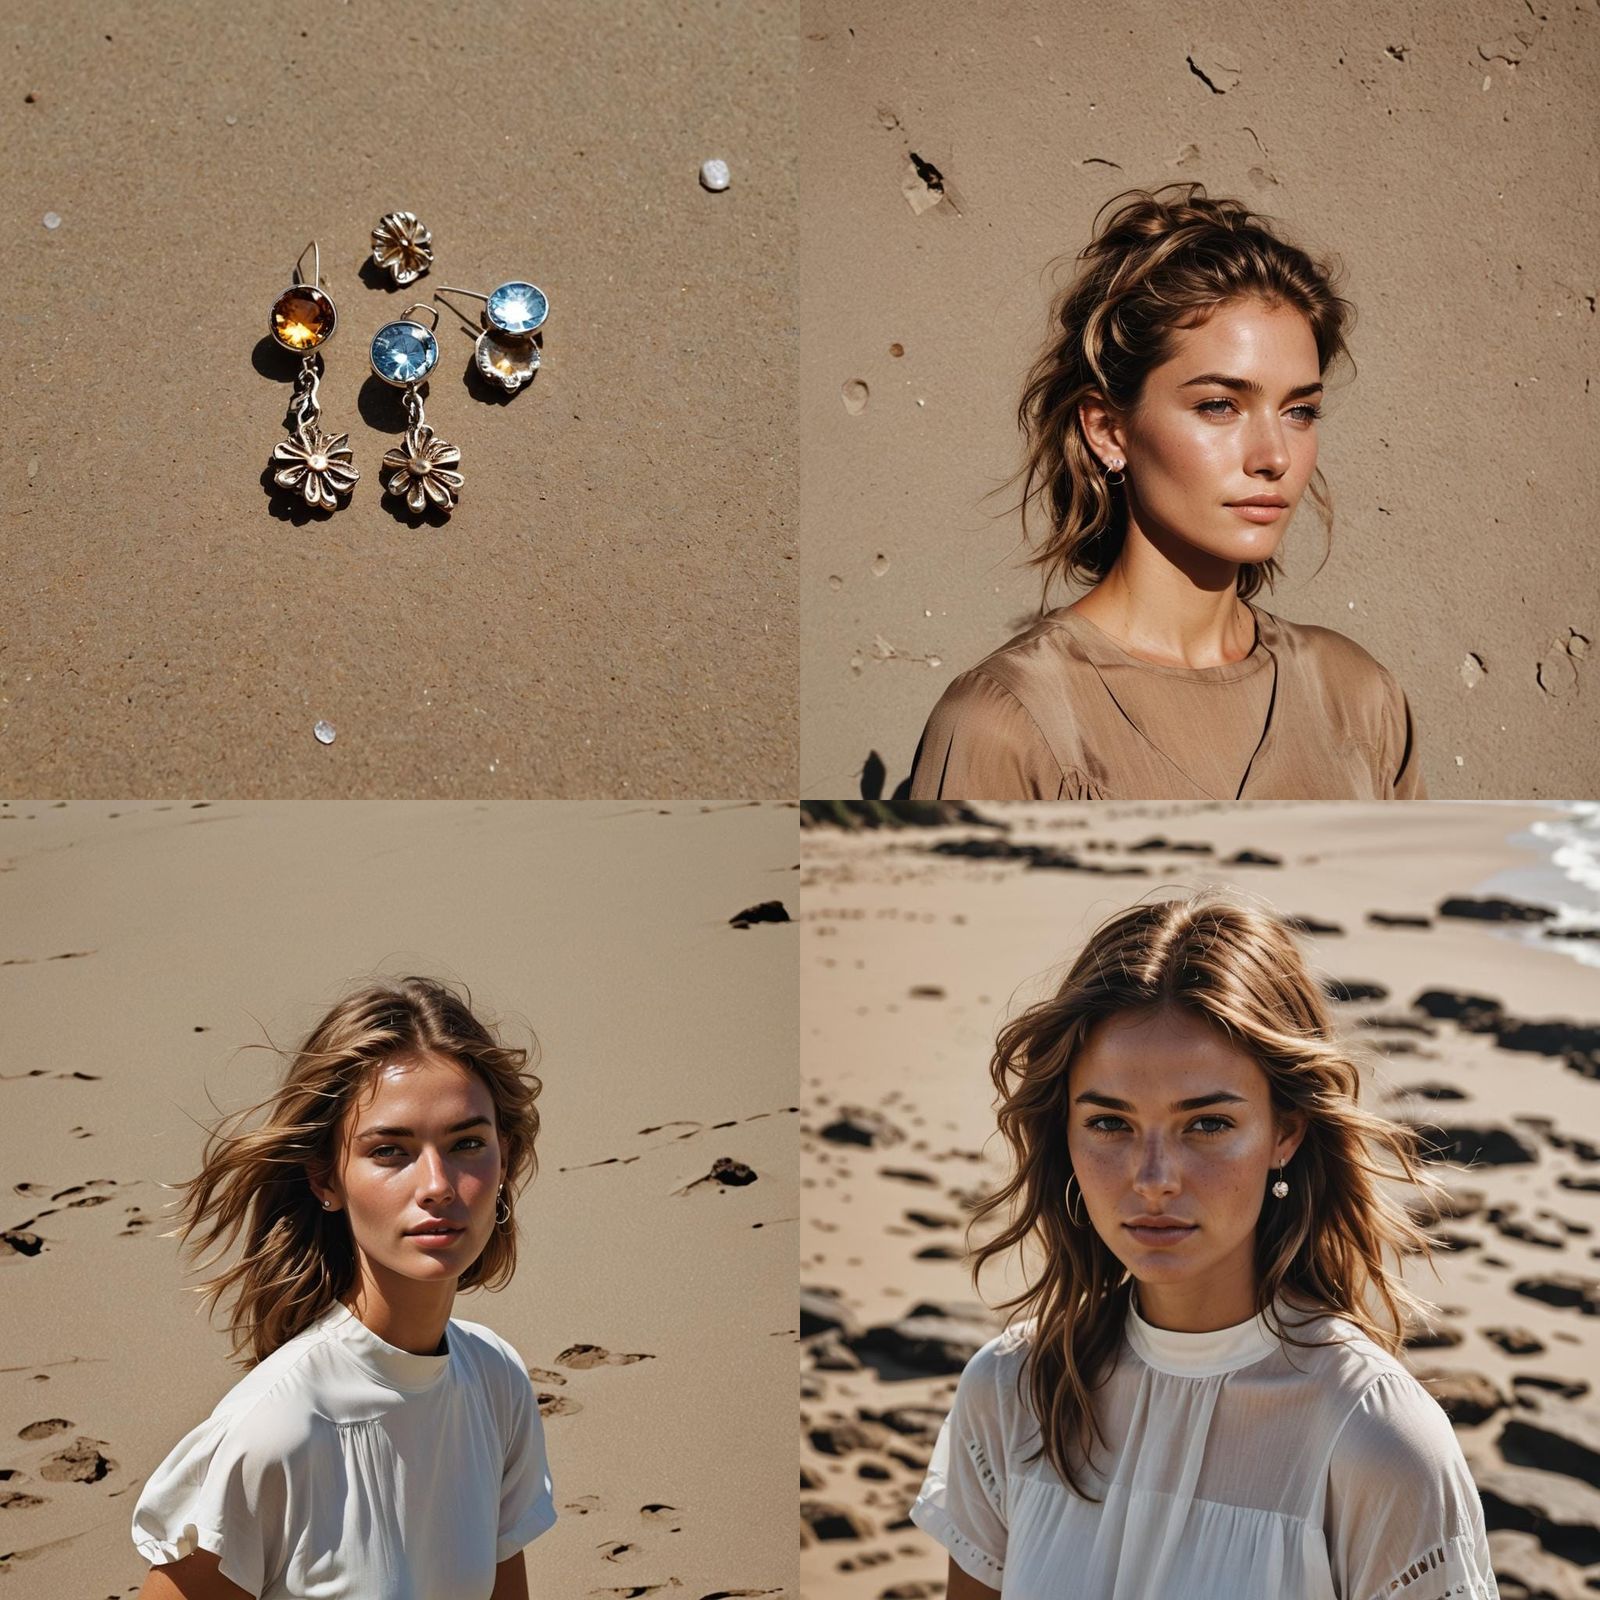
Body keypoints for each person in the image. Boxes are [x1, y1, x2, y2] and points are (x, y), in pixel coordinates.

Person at [909, 896, 1497, 1598]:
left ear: (1286, 1131)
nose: (1153, 1179)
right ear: (1064, 1131)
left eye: (1208, 1124)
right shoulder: (1010, 1393)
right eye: (1109, 1123)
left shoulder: (1377, 1443)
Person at [908, 184, 1425, 801]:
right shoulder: (1008, 720)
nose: (1275, 457)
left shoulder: (1359, 696)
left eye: (1300, 411)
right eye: (1218, 405)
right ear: (1108, 429)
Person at [131, 976, 554, 1600]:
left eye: (467, 1143)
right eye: (390, 1150)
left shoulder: (495, 1382)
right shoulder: (274, 1430)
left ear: (505, 1159)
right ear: (327, 1179)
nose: (438, 1183)